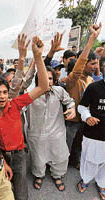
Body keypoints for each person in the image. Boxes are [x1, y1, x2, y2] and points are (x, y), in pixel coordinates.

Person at [0, 36, 50, 200]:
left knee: (21, 188)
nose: (2, 97)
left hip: (19, 155)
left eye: (4, 92)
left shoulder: (16, 103)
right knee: (4, 190)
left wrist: (38, 57)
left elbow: (44, 86)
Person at [26, 66, 76, 192]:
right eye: (44, 78)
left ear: (53, 80)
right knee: (38, 157)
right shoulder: (30, 94)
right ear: (38, 80)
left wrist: (72, 109)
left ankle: (57, 175)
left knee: (59, 156)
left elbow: (69, 102)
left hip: (57, 132)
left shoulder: (59, 91)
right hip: (37, 133)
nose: (47, 81)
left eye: (50, 78)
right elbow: (20, 108)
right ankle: (39, 175)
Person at [65, 24, 101, 169]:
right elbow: (78, 66)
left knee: (79, 143)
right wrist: (92, 39)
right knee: (67, 143)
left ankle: (76, 160)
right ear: (84, 63)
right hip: (72, 121)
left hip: (85, 121)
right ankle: (61, 165)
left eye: (97, 65)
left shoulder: (91, 81)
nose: (95, 67)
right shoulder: (73, 79)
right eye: (93, 64)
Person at [76, 78, 105, 200]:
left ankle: (102, 184)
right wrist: (87, 117)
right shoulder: (93, 87)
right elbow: (81, 106)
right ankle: (85, 180)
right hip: (93, 134)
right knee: (89, 160)